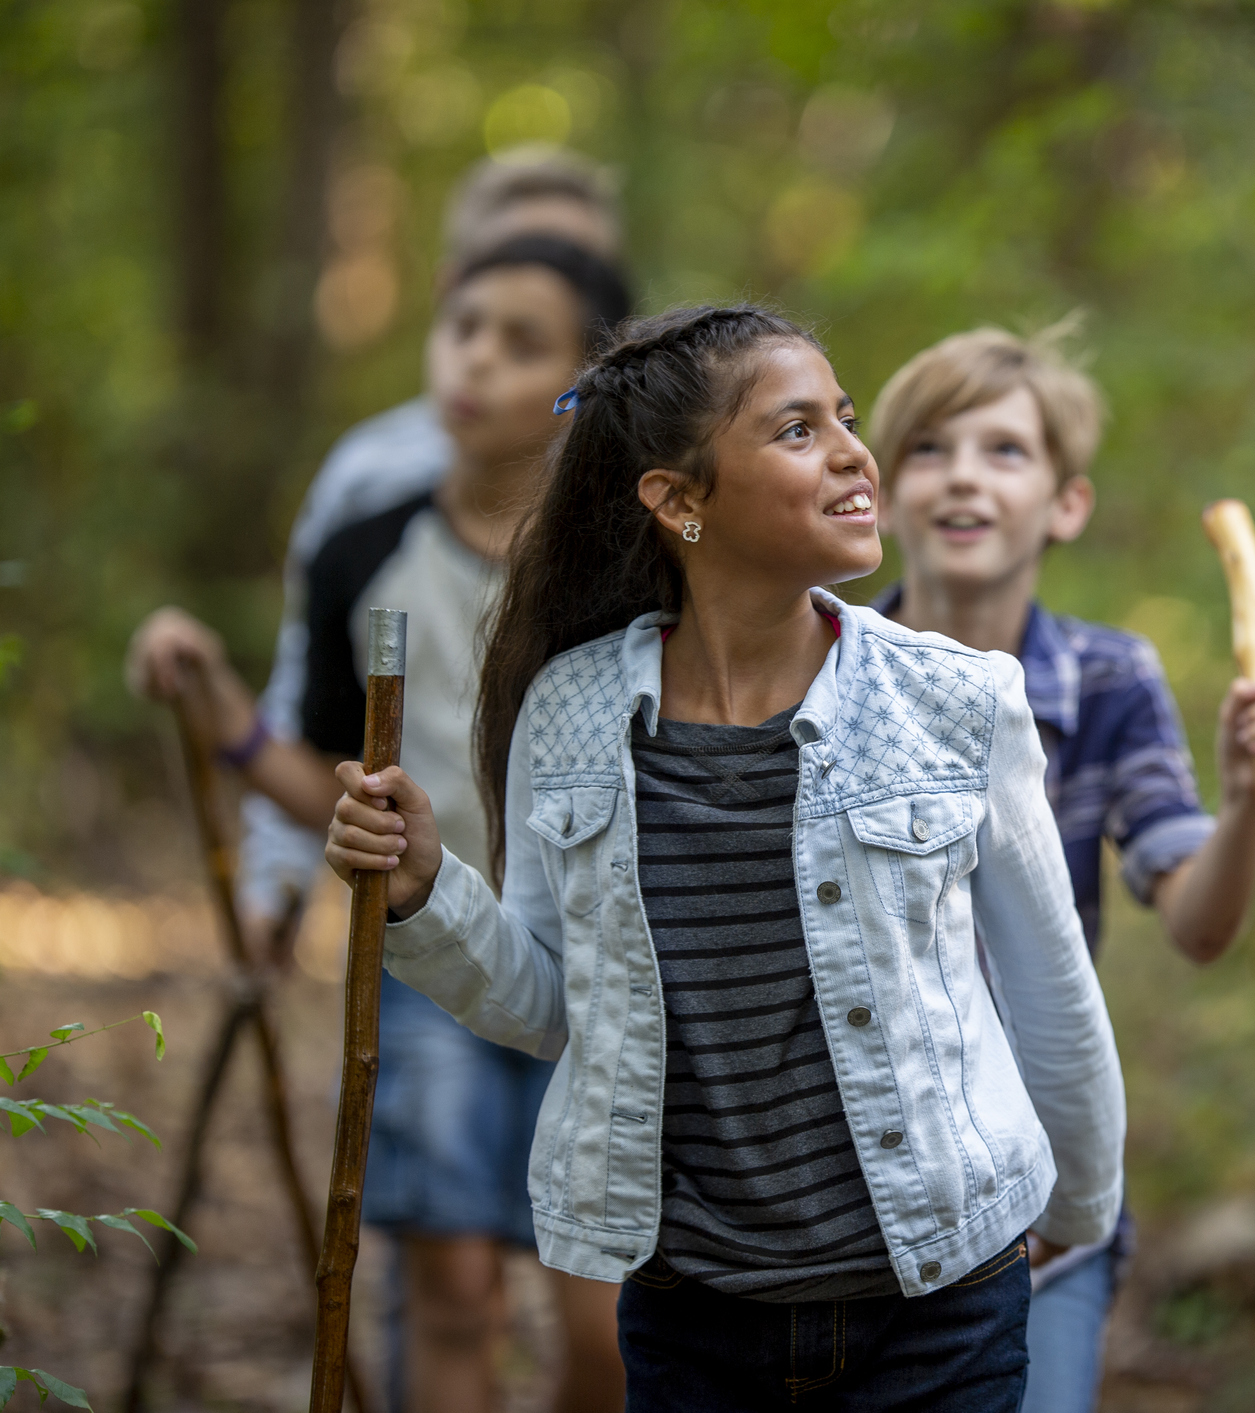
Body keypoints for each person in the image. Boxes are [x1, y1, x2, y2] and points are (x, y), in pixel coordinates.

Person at [318, 304, 1128, 1412]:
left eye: (845, 419)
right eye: (798, 431)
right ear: (679, 499)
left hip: (939, 1302)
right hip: (692, 1313)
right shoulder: (574, 711)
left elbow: (1051, 992)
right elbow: (555, 1004)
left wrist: (1073, 1217)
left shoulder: (954, 701)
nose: (854, 452)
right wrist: (425, 892)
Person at [128, 236, 636, 1413]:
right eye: (462, 327)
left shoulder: (628, 572)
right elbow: (326, 780)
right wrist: (219, 710)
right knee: (450, 1290)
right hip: (423, 959)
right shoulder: (366, 550)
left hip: (611, 970)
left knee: (603, 1325)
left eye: (522, 343)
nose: (474, 360)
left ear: (587, 384)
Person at [862, 325, 1255, 1413]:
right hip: (860, 1189)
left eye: (1005, 451)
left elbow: (1198, 925)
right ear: (878, 496)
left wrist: (1248, 794)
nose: (964, 473)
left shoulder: (1108, 679)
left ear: (1065, 504)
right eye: (929, 448)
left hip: (1041, 1192)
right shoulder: (822, 669)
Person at [239, 146, 626, 921]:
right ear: (450, 289)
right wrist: (273, 885)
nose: (481, 357)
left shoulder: (633, 534)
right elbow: (308, 703)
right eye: (472, 319)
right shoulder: (368, 487)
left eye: (568, 266)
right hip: (430, 927)